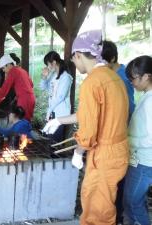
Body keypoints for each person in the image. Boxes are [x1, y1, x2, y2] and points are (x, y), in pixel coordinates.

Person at [43, 30, 129, 225]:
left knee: (97, 211)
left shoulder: (92, 82)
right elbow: (91, 114)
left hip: (104, 154)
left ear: (79, 55)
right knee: (104, 203)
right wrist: (59, 120)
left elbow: (89, 131)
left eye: (73, 59)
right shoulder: (113, 77)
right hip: (117, 150)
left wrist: (78, 151)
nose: (73, 63)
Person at [101, 40, 135, 225]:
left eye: (104, 60)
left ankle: (118, 216)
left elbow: (128, 107)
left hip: (120, 134)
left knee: (119, 178)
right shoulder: (106, 74)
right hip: (109, 134)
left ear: (113, 58)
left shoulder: (122, 76)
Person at [123, 56, 152, 225]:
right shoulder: (146, 96)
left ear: (146, 76)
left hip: (144, 162)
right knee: (132, 201)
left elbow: (150, 139)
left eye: (133, 78)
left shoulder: (150, 101)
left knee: (133, 202)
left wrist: (127, 140)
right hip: (140, 159)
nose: (131, 82)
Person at [0, 54, 35, 121]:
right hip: (31, 99)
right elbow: (31, 84)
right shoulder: (22, 70)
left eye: (3, 68)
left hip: (24, 99)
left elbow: (4, 90)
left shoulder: (13, 71)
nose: (3, 70)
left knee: (22, 122)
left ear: (8, 64)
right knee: (26, 121)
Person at [40, 51, 73, 142]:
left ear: (54, 63)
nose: (48, 67)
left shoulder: (66, 77)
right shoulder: (53, 75)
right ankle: (52, 155)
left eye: (48, 64)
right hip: (53, 111)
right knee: (51, 138)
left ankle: (55, 156)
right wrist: (43, 76)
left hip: (61, 113)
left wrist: (49, 110)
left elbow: (60, 97)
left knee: (55, 140)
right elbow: (43, 87)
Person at [102, 40, 135, 121]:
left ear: (112, 58)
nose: (101, 65)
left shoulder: (124, 76)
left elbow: (128, 103)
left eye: (103, 62)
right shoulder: (109, 73)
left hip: (126, 117)